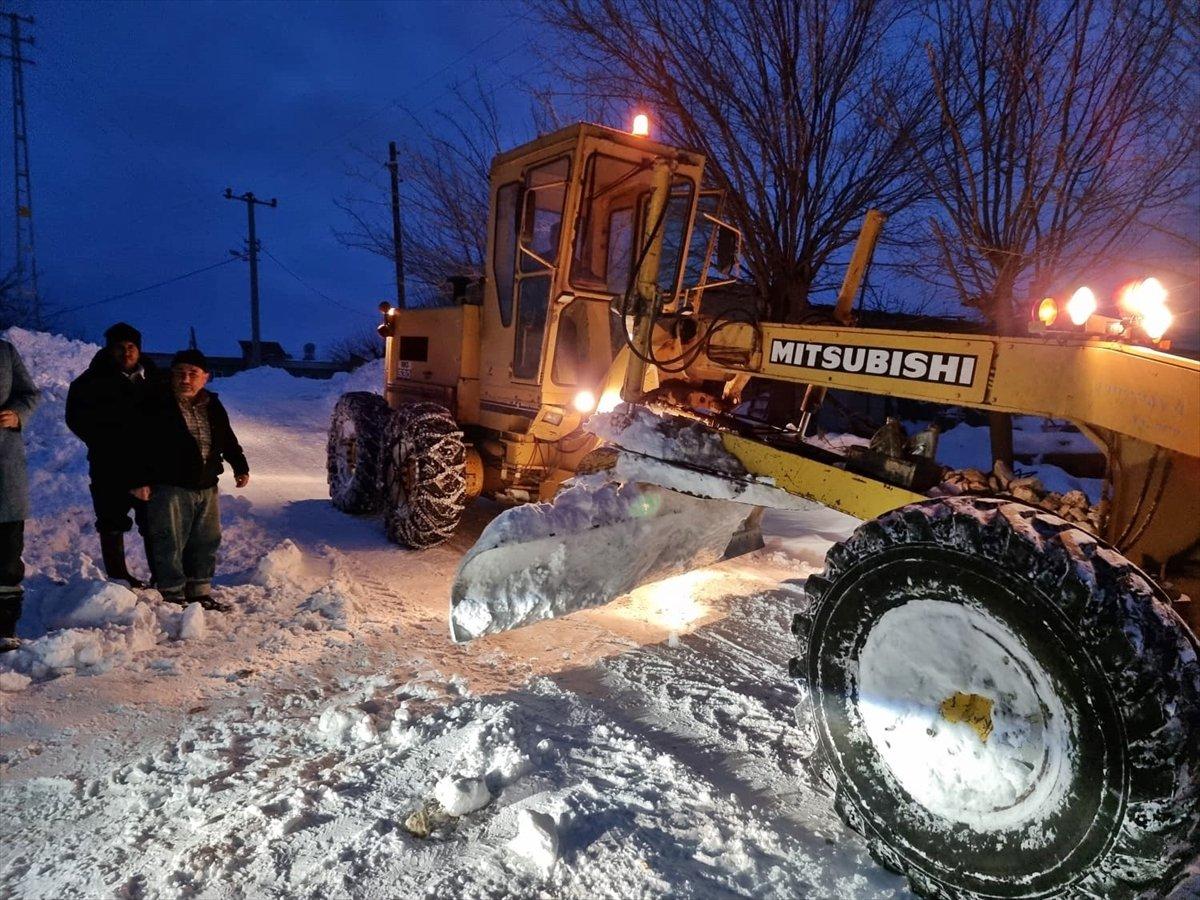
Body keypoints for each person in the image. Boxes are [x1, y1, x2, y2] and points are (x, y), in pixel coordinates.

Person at [132, 349, 249, 611]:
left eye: (193, 373)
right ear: (172, 376)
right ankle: (171, 593)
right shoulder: (156, 404)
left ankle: (199, 592)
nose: (186, 378)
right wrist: (139, 480)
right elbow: (136, 444)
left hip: (206, 485)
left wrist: (240, 466)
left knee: (206, 540)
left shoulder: (213, 404)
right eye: (180, 373)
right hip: (169, 486)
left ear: (205, 377)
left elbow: (227, 439)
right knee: (168, 540)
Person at [65, 322, 161, 587]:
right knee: (111, 522)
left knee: (153, 522)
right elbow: (77, 419)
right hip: (110, 465)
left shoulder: (155, 379)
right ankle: (119, 577)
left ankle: (161, 576)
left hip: (149, 466)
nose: (126, 352)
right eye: (119, 347)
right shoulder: (90, 382)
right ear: (110, 350)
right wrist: (105, 441)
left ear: (139, 349)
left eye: (131, 347)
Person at [0, 339, 39, 652]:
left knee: (7, 556)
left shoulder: (5, 351)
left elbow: (29, 393)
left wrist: (16, 414)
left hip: (4, 469)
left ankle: (4, 628)